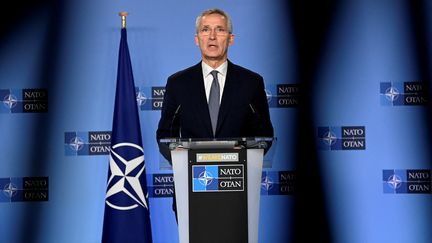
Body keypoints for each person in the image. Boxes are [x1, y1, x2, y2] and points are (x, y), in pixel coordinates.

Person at [156, 8, 274, 220]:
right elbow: (165, 137)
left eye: (219, 30)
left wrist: (234, 164)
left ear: (231, 39)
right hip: (191, 189)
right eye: (205, 30)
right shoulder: (178, 83)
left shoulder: (251, 83)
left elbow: (264, 136)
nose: (211, 36)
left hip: (237, 189)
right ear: (196, 39)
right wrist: (190, 165)